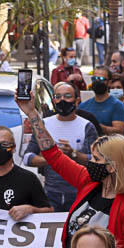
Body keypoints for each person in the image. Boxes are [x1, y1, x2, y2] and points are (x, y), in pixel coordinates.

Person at [19, 96, 124, 248]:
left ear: (112, 166)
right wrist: (32, 114)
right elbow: (53, 155)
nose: (90, 162)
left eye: (96, 158)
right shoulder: (88, 181)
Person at [26, 82, 99, 211]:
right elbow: (27, 158)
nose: (62, 100)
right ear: (53, 100)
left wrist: (73, 154)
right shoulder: (44, 124)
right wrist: (53, 158)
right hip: (50, 193)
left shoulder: (87, 126)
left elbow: (97, 160)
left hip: (79, 192)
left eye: (67, 96)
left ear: (77, 100)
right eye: (58, 97)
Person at [80, 70, 124, 136]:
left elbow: (119, 132)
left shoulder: (117, 105)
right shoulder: (83, 106)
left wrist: (97, 126)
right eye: (94, 79)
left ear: (109, 82)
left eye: (101, 79)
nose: (97, 82)